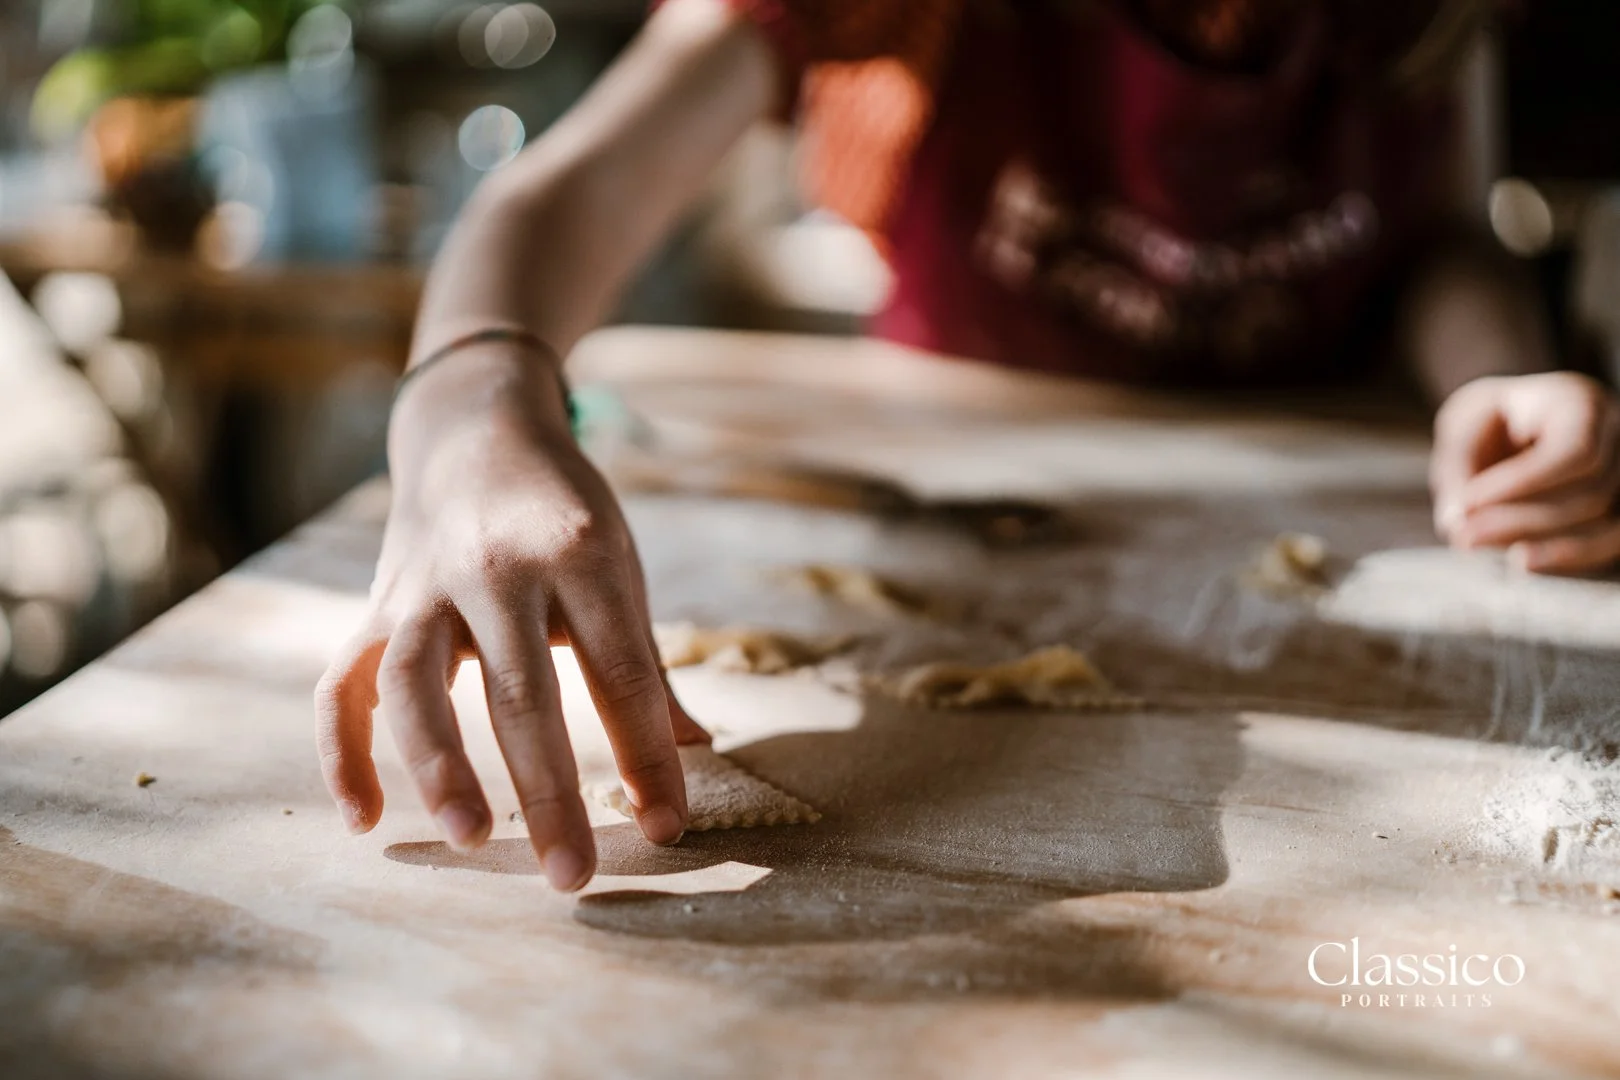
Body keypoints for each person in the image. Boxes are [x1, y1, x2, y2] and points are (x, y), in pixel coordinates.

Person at [316, 0, 1620, 891]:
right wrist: (471, 399)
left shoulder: (1425, 24)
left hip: (1318, 469)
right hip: (942, 462)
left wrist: (1498, 373)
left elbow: (1448, 237)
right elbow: (573, 186)